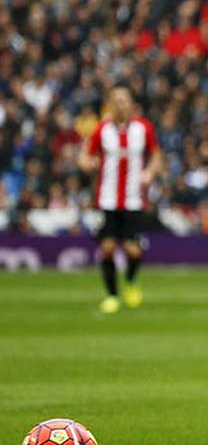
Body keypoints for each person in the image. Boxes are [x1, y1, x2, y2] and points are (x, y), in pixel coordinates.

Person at [78, 87, 162, 314]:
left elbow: (156, 154)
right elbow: (85, 155)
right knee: (107, 248)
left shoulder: (143, 128)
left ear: (131, 104)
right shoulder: (102, 130)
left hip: (134, 199)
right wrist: (87, 163)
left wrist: (150, 173)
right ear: (110, 104)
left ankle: (132, 282)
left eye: (124, 100)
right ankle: (112, 295)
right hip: (107, 199)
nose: (120, 104)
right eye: (116, 100)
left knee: (133, 250)